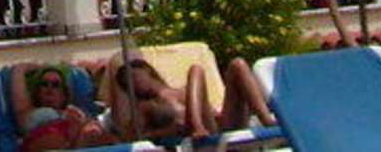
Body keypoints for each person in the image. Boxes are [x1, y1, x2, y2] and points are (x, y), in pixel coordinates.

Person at [103, 53, 273, 140]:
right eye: (126, 84)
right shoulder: (146, 106)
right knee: (195, 70)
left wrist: (215, 113)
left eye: (133, 77)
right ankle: (197, 126)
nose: (132, 84)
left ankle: (268, 121)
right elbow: (135, 138)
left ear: (147, 70)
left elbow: (211, 111)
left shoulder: (188, 90)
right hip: (198, 137)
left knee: (238, 64)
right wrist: (166, 131)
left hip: (221, 126)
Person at [15, 65, 105, 151]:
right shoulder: (29, 113)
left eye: (56, 85)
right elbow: (18, 70)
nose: (49, 88)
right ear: (37, 92)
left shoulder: (75, 114)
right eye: (44, 84)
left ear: (63, 95)